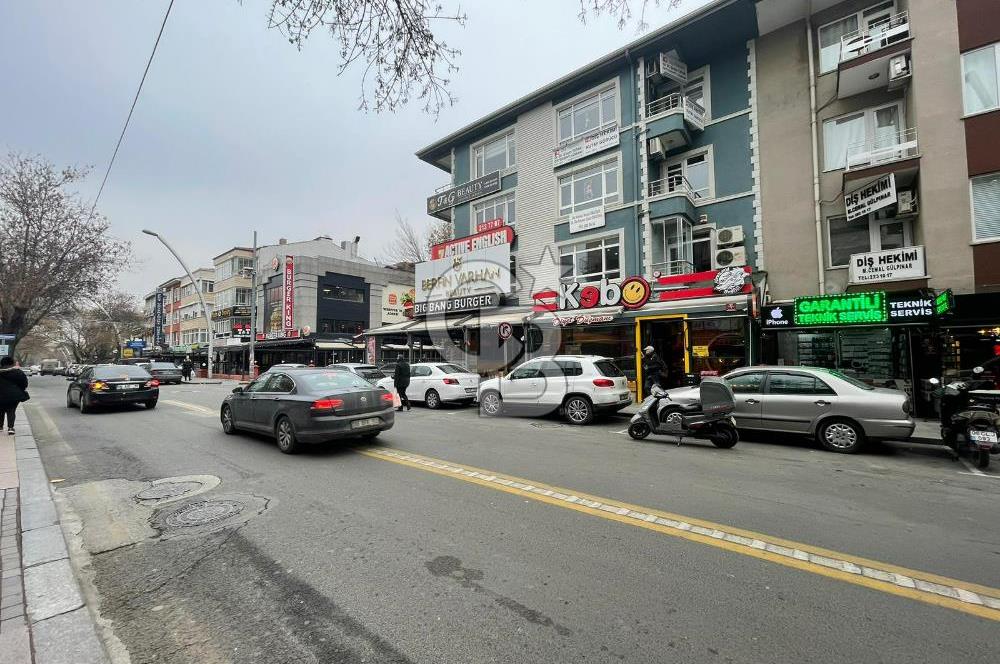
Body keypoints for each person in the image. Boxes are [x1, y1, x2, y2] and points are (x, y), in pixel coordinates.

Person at [0, 357, 29, 436]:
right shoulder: (18, 372)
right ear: (12, 363)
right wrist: (19, 390)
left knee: (0, 410)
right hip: (13, 395)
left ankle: (0, 426)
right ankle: (10, 428)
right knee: (11, 410)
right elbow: (24, 383)